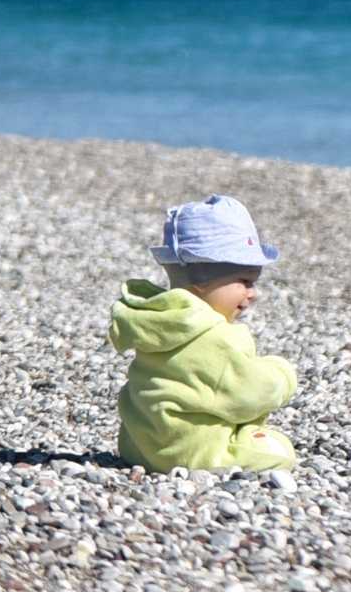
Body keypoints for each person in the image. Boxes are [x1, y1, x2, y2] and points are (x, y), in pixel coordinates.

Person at [109, 194, 298, 474]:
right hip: (194, 451)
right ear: (202, 280)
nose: (252, 293)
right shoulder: (214, 337)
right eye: (245, 281)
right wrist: (283, 374)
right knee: (279, 450)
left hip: (139, 447)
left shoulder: (156, 320)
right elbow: (249, 395)